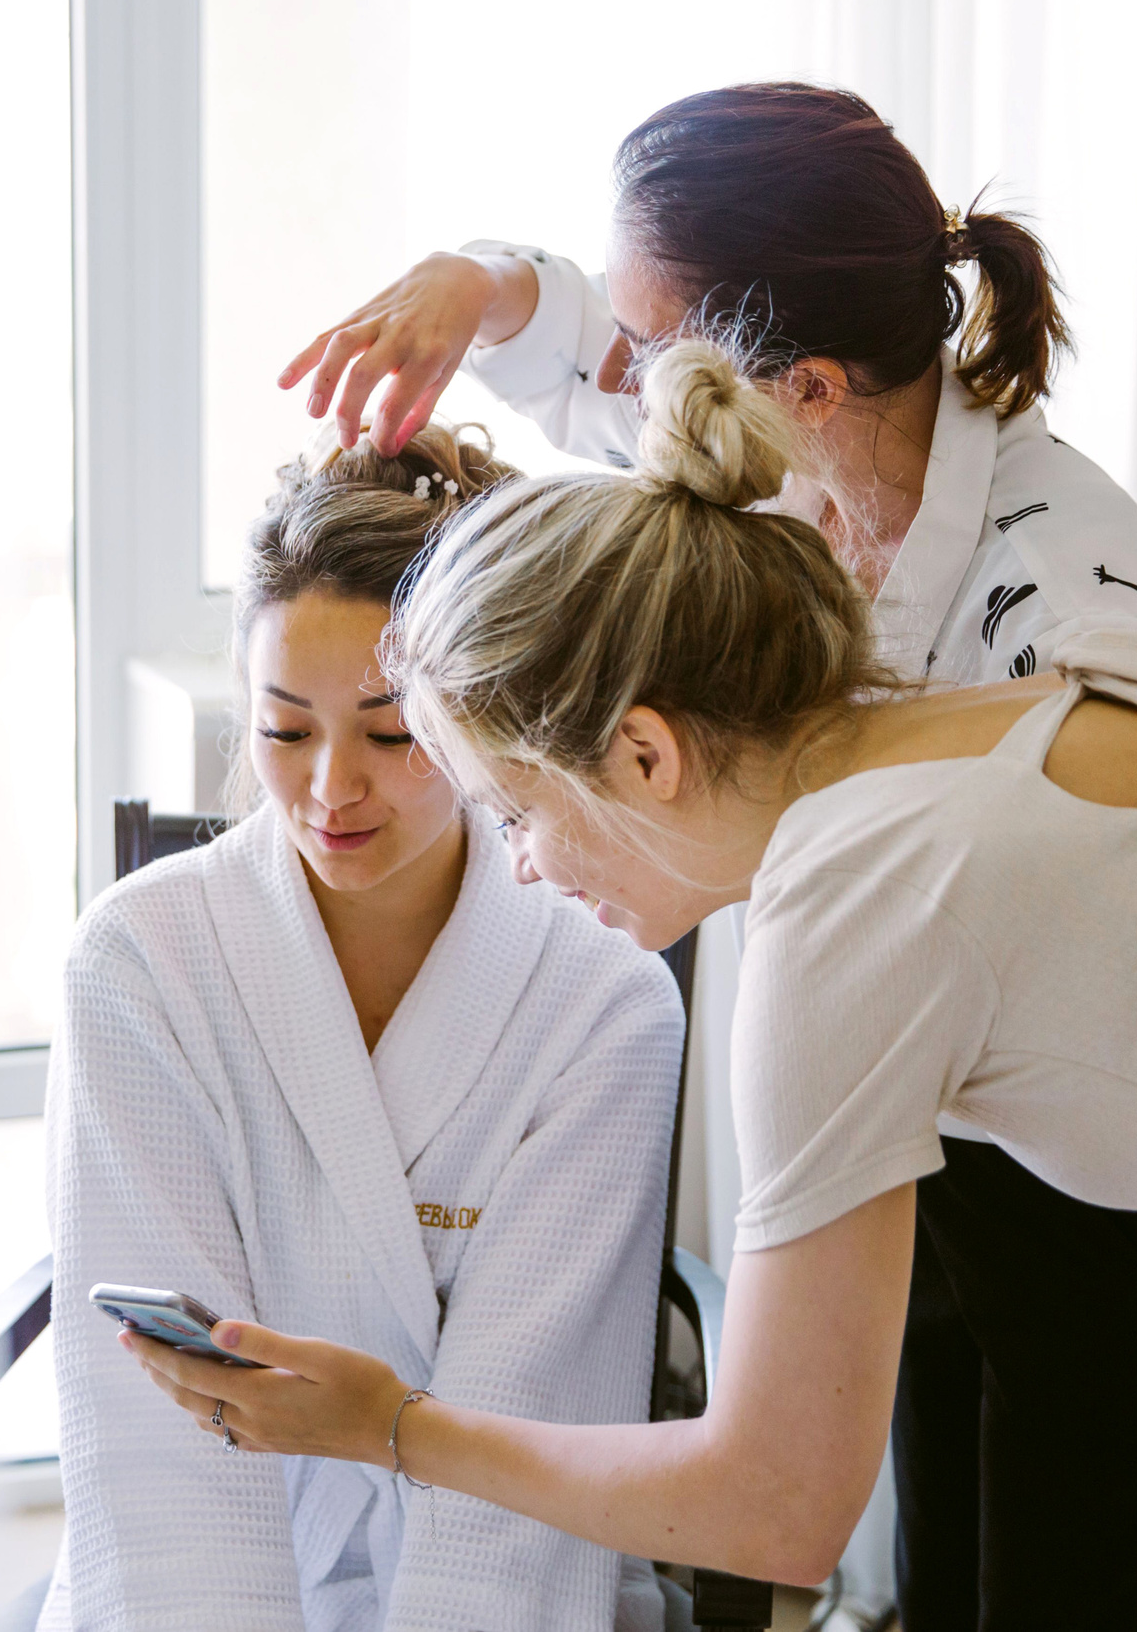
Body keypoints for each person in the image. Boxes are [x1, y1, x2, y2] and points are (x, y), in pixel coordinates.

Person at [121, 339, 1137, 1632]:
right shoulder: (1058, 697)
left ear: (644, 752)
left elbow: (782, 1504)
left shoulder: (836, 902)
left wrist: (388, 1424)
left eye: (520, 811)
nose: (522, 867)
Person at [283, 81, 1137, 1627]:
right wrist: (485, 279)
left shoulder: (1079, 607)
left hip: (1111, 1163)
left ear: (801, 380)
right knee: (936, 1563)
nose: (620, 377)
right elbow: (581, 331)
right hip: (930, 1144)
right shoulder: (763, 446)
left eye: (646, 349)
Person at [38, 426, 687, 1632]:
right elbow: (156, 1448)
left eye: (391, 735)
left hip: (500, 1578)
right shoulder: (138, 964)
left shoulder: (603, 1000)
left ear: (484, 712)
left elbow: (531, 1445)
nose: (332, 789)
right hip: (218, 1570)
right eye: (285, 732)